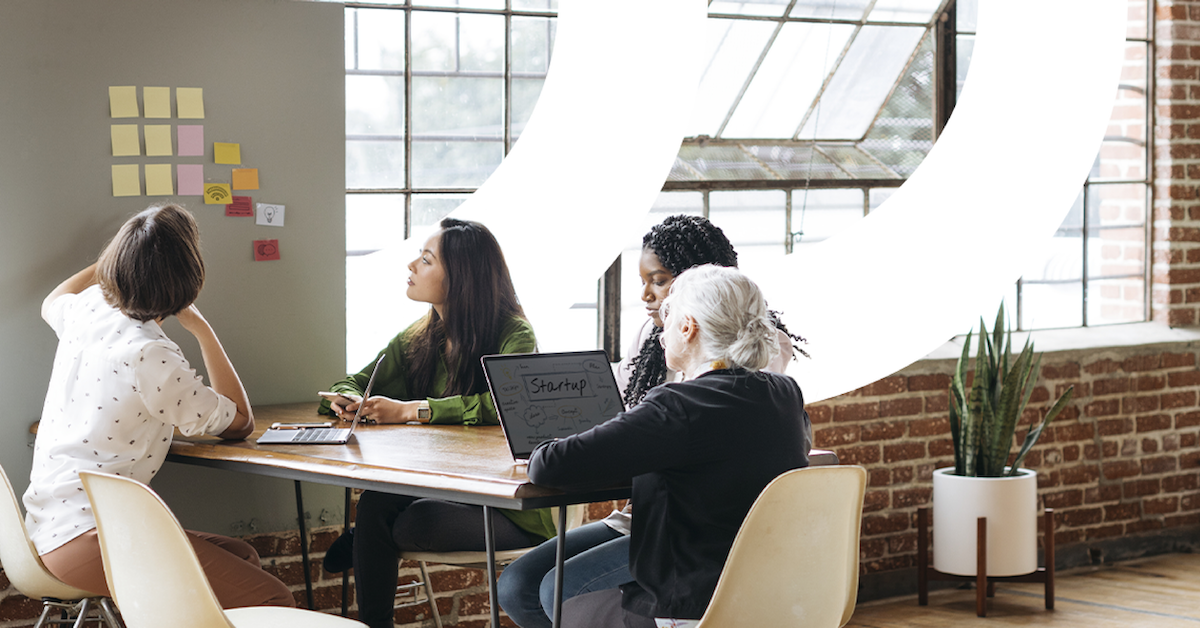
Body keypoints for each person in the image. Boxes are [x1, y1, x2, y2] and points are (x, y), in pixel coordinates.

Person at [496, 214, 806, 628]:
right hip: (751, 553)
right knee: (521, 585)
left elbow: (549, 464)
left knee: (557, 593)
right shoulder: (784, 393)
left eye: (663, 292)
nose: (659, 330)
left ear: (689, 326)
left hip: (687, 567)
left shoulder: (680, 404)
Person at [25, 204, 294, 608]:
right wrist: (202, 330)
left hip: (49, 528)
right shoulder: (150, 354)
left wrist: (113, 261)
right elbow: (240, 422)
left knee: (242, 558)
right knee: (272, 596)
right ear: (189, 277)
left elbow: (54, 298)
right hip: (91, 537)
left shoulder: (87, 311)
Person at [318, 217, 556, 628]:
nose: (411, 265)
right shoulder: (422, 334)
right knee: (376, 501)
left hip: (505, 507)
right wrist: (347, 400)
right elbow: (356, 379)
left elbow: (508, 406)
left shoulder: (514, 334)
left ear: (460, 278)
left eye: (426, 260)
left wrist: (414, 409)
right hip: (442, 488)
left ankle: (366, 539)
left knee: (411, 522)